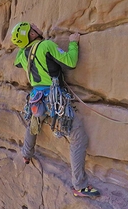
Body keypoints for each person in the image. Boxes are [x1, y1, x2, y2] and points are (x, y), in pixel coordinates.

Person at [11, 21, 100, 198]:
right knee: (78, 136)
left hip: (36, 98)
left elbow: (19, 60)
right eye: (32, 27)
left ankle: (26, 154)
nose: (36, 26)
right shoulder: (46, 45)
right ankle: (79, 186)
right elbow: (71, 61)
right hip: (53, 98)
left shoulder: (22, 55)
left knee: (34, 123)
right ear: (31, 35)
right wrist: (74, 42)